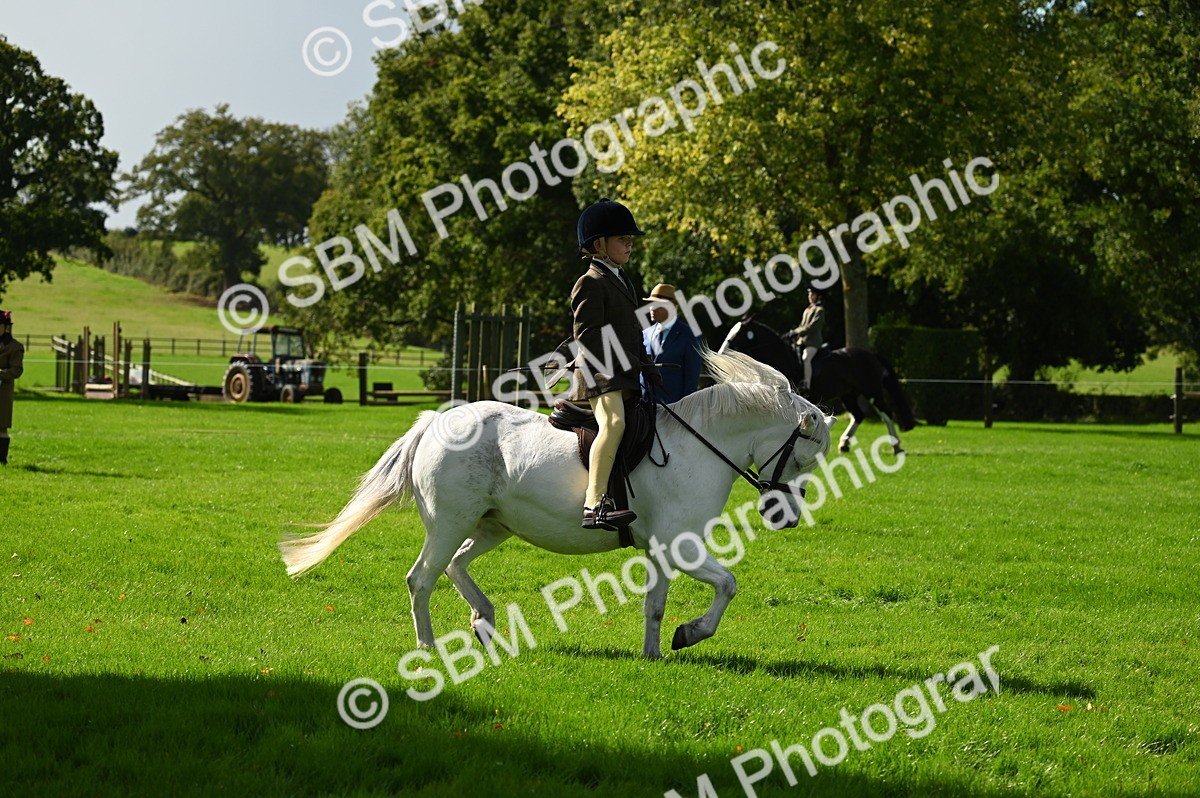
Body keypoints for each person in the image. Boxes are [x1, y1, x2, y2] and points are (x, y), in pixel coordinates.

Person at [570, 198, 658, 531]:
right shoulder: (589, 282)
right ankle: (594, 504)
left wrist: (647, 363)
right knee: (615, 423)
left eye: (629, 238)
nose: (630, 242)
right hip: (599, 373)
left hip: (623, 373)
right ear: (599, 245)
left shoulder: (623, 280)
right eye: (622, 238)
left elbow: (633, 331)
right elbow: (589, 338)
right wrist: (633, 361)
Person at [641, 283, 703, 404]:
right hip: (643, 410)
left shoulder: (690, 335)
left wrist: (686, 409)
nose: (651, 309)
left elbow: (692, 377)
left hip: (674, 412)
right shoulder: (644, 334)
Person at [785, 285, 826, 390]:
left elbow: (812, 327)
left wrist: (796, 332)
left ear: (818, 297)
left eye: (812, 294)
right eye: (809, 294)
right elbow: (802, 326)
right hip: (801, 341)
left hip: (813, 342)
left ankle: (807, 384)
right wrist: (793, 333)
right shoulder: (807, 309)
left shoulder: (819, 310)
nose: (810, 296)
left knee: (806, 358)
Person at [0, 310, 25, 466]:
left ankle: (2, 459)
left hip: (3, 391)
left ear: (4, 327)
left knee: (1, 427)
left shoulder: (15, 347)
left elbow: (17, 370)